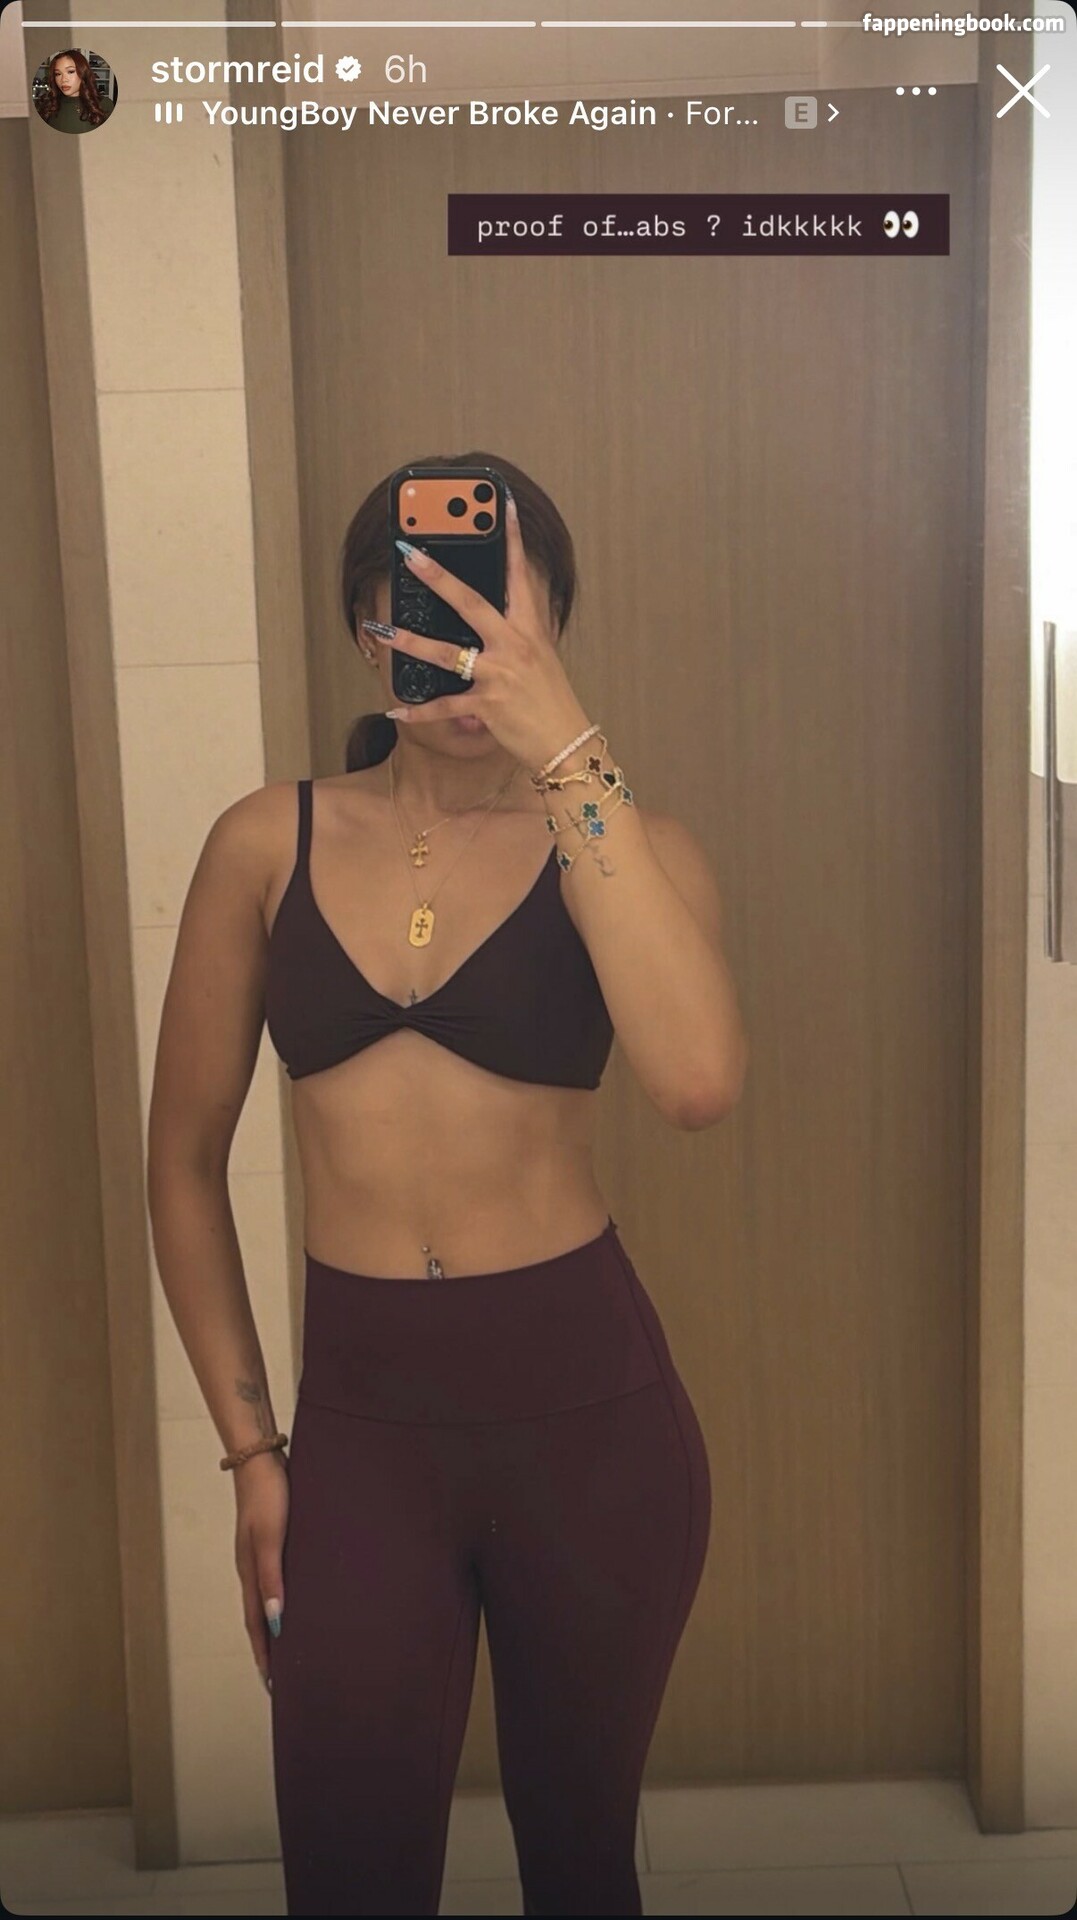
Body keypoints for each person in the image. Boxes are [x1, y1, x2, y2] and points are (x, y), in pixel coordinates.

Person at [147, 451, 749, 1916]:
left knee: (581, 1865)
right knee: (347, 1871)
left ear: (554, 628)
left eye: (505, 609)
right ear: (372, 630)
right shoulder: (264, 843)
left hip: (594, 1429)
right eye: (431, 603)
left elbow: (695, 1083)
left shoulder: (625, 844)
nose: (470, 639)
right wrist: (253, 1455)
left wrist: (568, 750)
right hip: (365, 1436)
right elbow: (181, 1166)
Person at [35, 49, 113, 134]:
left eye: (70, 72)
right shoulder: (46, 106)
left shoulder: (105, 105)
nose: (63, 80)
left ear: (83, 72)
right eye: (58, 74)